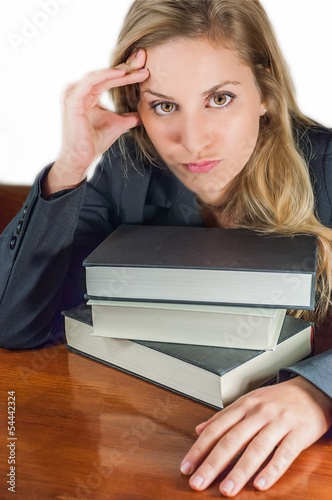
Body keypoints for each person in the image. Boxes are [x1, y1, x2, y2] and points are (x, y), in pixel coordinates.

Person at [0, 0, 331, 495]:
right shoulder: (129, 172)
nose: (192, 141)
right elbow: (17, 323)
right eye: (164, 105)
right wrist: (69, 168)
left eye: (219, 98)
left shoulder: (326, 168)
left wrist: (318, 392)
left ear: (265, 90)